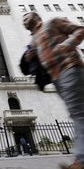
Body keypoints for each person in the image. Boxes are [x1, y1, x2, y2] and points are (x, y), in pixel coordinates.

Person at [22, 12, 84, 169]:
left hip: (70, 68)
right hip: (56, 78)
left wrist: (68, 43)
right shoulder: (34, 41)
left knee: (78, 113)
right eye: (22, 20)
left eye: (26, 17)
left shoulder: (53, 22)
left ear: (36, 17)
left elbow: (80, 30)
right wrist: (29, 58)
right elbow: (30, 67)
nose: (23, 21)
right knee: (79, 112)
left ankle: (81, 161)